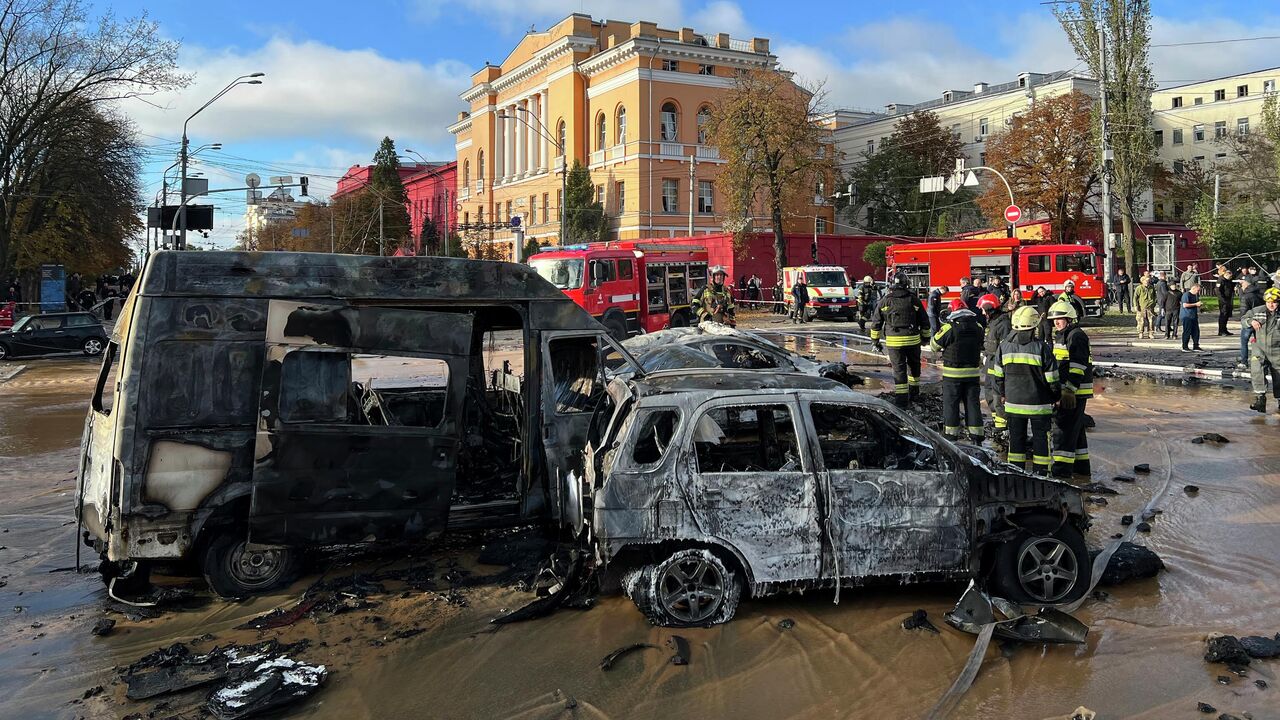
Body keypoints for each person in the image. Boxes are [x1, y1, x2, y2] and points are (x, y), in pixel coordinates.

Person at [990, 305, 1059, 476]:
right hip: (1039, 405)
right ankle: (1042, 475)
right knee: (1041, 439)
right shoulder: (1042, 348)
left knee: (1016, 441)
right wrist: (1056, 396)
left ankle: (1016, 475)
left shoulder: (1004, 347)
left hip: (1013, 404)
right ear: (1033, 326)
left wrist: (1004, 394)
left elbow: (998, 376)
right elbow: (1052, 378)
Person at [1047, 300, 1094, 478]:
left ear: (1070, 319)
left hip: (1073, 392)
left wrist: (1069, 389)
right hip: (1072, 390)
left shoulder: (1076, 336)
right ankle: (1081, 470)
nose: (1056, 323)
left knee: (1063, 431)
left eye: (1059, 319)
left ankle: (1061, 473)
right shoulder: (1064, 334)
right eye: (1054, 320)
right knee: (1076, 431)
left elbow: (1077, 366)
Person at [871, 274, 930, 407]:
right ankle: (914, 395)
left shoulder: (885, 301)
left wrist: (875, 341)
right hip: (913, 341)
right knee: (914, 367)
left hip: (894, 342)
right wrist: (925, 338)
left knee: (899, 370)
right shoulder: (913, 300)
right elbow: (925, 322)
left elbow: (876, 323)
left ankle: (901, 401)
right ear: (906, 284)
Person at [931, 298, 985, 444]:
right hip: (973, 374)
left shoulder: (949, 328)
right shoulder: (978, 326)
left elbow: (934, 345)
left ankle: (951, 437)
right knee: (973, 404)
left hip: (952, 375)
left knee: (951, 405)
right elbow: (981, 343)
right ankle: (976, 437)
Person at [979, 293, 1011, 436]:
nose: (982, 312)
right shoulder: (993, 322)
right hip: (990, 362)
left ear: (989, 308)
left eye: (983, 309)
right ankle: (996, 422)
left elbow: (1004, 348)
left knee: (998, 396)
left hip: (998, 364)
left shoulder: (1003, 324)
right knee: (989, 394)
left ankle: (1003, 427)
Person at [1246, 288, 1280, 413]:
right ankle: (1260, 399)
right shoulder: (1258, 311)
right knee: (1257, 371)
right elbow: (1244, 318)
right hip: (1259, 348)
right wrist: (1251, 321)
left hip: (1277, 350)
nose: (1271, 304)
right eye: (1268, 302)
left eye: (1274, 302)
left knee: (1278, 375)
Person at [1239, 276, 1265, 369]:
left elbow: (1243, 310)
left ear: (1246, 283)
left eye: (1242, 283)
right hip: (1261, 320)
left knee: (1244, 342)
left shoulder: (1246, 296)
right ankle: (1261, 361)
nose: (1241, 285)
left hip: (1249, 321)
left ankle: (1244, 361)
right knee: (1260, 342)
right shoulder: (1261, 294)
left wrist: (1244, 320)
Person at [1180, 283, 1204, 352]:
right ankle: (1185, 346)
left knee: (1196, 331)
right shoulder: (1186, 295)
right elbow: (1185, 305)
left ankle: (1196, 345)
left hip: (1193, 315)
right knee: (1187, 331)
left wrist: (1199, 306)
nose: (1198, 292)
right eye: (1197, 290)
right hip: (1187, 316)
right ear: (1193, 288)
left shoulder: (1195, 296)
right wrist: (1195, 304)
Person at [1133, 273, 1157, 340]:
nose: (1147, 282)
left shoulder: (1151, 288)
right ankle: (1141, 333)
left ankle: (1151, 333)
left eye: (1148, 281)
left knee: (1151, 321)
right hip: (1141, 307)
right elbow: (1135, 297)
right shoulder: (1139, 288)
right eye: (1146, 281)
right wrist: (1135, 306)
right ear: (1142, 281)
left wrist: (1154, 302)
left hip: (1150, 307)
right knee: (1141, 321)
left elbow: (1155, 296)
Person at [1215, 266, 1235, 336]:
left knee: (1226, 315)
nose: (1231, 278)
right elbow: (1218, 291)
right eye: (1230, 276)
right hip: (1223, 301)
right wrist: (1223, 300)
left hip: (1228, 299)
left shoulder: (1227, 280)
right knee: (1223, 315)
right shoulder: (1221, 280)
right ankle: (1221, 331)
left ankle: (1225, 330)